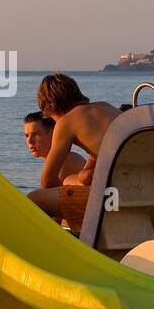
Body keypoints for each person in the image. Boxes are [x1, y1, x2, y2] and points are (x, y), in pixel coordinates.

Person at [26, 73, 124, 231]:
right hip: (140, 189)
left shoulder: (66, 122)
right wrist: (81, 176)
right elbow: (99, 152)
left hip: (113, 197)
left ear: (50, 104)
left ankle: (55, 243)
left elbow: (47, 181)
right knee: (69, 181)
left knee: (34, 198)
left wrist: (65, 191)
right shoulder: (105, 107)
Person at [23, 111, 86, 183]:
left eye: (36, 134)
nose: (30, 141)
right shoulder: (58, 159)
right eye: (27, 136)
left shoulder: (64, 161)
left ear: (53, 133)